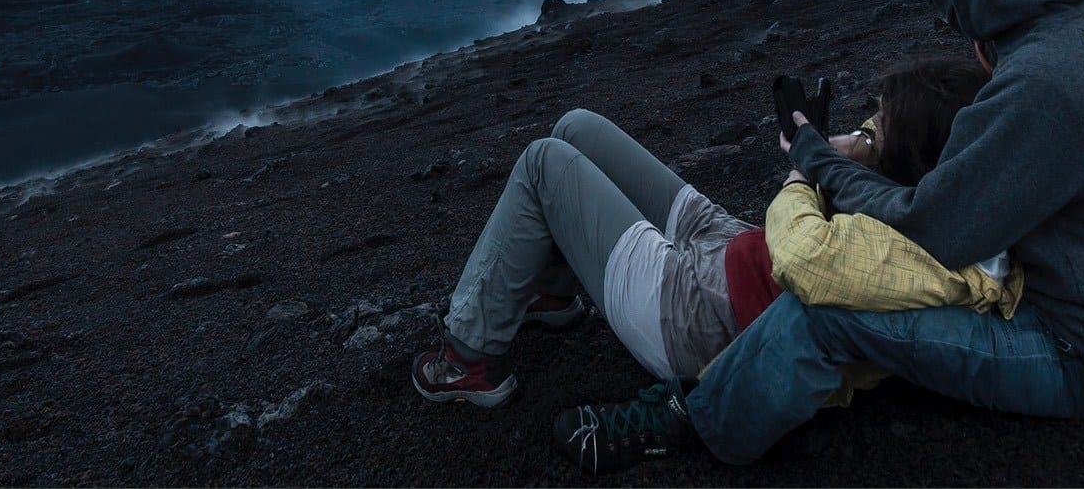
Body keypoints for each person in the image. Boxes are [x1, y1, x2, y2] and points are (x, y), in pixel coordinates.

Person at [551, 0, 1084, 474]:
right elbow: (986, 7)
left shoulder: (1049, 87)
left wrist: (815, 159)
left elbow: (929, 226)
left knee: (831, 305)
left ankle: (698, 423)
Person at [411, 55, 1016, 421]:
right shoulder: (943, 192)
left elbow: (805, 254)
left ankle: (465, 356)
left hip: (691, 316)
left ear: (912, 153)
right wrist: (858, 144)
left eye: (881, 125)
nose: (871, 127)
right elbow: (908, 139)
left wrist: (805, 168)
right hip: (732, 248)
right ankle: (547, 286)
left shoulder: (919, 252)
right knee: (576, 128)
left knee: (544, 161)